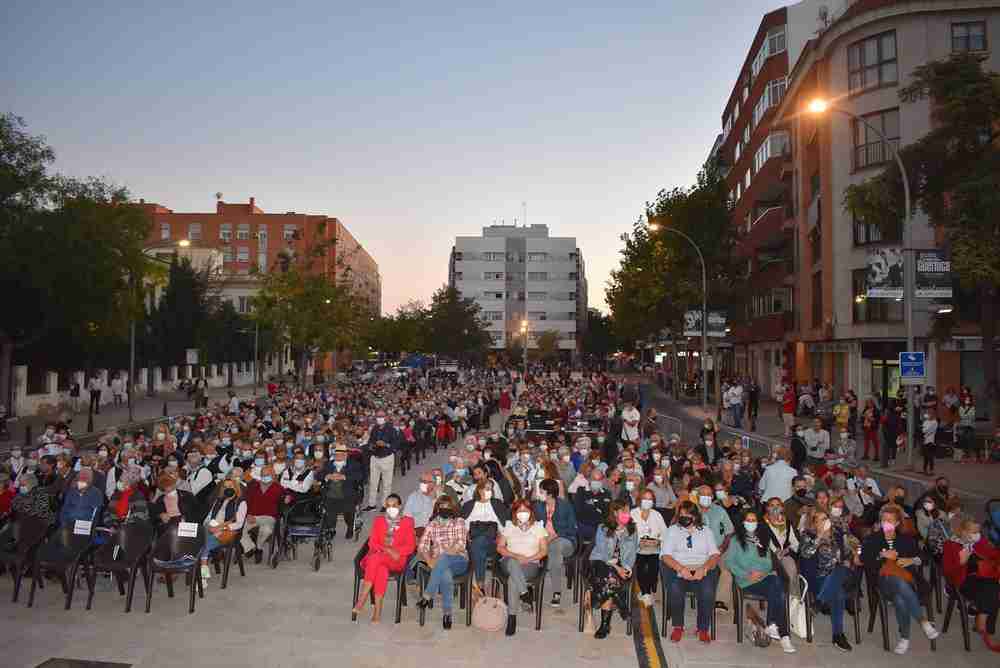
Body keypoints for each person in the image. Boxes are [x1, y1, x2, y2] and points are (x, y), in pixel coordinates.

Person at [861, 505, 939, 654]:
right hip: (882, 583)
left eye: (890, 520)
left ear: (897, 523)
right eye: (883, 520)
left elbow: (924, 557)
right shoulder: (872, 539)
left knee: (900, 598)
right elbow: (865, 560)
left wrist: (911, 560)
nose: (886, 523)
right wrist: (881, 556)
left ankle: (905, 638)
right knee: (894, 579)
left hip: (908, 580)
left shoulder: (907, 540)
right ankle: (923, 622)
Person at [724, 509, 796, 653]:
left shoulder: (763, 539)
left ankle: (776, 628)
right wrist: (747, 574)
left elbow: (769, 562)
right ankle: (782, 634)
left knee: (777, 585)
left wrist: (762, 573)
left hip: (764, 578)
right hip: (746, 581)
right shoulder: (735, 540)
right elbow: (729, 562)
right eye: (748, 520)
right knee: (778, 588)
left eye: (754, 520)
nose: (751, 523)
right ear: (743, 522)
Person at [660, 500, 720, 644]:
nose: (684, 518)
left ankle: (703, 628)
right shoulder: (673, 530)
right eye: (681, 515)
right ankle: (678, 626)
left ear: (695, 516)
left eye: (687, 515)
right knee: (675, 589)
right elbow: (665, 556)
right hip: (679, 569)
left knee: (707, 591)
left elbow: (714, 555)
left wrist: (704, 568)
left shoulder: (706, 531)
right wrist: (680, 568)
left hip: (701, 568)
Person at [354, 494, 416, 623]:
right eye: (388, 506)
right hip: (380, 556)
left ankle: (362, 598)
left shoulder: (408, 521)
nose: (391, 508)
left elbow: (411, 546)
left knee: (375, 560)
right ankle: (377, 612)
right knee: (381, 569)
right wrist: (387, 550)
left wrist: (396, 551)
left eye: (394, 505)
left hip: (397, 559)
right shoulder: (379, 521)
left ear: (400, 506)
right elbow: (372, 543)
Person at [800, 509, 854, 651]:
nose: (826, 522)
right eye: (821, 519)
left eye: (826, 518)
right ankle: (838, 635)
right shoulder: (808, 536)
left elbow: (848, 552)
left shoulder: (837, 534)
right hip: (819, 578)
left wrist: (849, 559)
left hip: (842, 574)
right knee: (839, 594)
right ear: (814, 523)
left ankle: (818, 603)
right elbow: (805, 554)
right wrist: (819, 537)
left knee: (839, 569)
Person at [943, 517, 1000, 651]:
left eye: (978, 531)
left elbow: (994, 555)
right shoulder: (951, 545)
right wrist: (960, 563)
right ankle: (986, 628)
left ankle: (982, 619)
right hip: (960, 582)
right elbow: (947, 573)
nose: (977, 534)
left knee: (993, 587)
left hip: (980, 577)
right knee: (993, 589)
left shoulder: (978, 542)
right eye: (973, 532)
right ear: (963, 531)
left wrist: (983, 543)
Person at [497, 499, 549, 636]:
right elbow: (500, 547)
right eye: (519, 511)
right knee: (513, 563)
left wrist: (528, 559)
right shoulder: (509, 526)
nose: (523, 513)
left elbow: (544, 551)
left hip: (530, 564)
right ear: (514, 513)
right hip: (508, 561)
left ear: (531, 512)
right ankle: (525, 593)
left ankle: (512, 618)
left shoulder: (538, 527)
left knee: (512, 581)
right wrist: (515, 555)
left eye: (525, 510)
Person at [416, 496, 469, 630]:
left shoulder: (459, 522)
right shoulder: (432, 524)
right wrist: (429, 560)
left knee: (443, 559)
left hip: (459, 560)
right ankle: (447, 613)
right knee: (445, 574)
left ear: (453, 508)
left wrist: (441, 556)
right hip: (438, 565)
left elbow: (461, 545)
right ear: (437, 509)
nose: (444, 510)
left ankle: (427, 595)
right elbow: (422, 546)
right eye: (441, 507)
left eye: (448, 507)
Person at [587, 500, 636, 639]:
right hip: (601, 562)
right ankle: (620, 603)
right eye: (623, 511)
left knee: (609, 582)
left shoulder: (632, 530)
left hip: (621, 565)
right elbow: (602, 553)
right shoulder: (603, 528)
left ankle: (603, 617)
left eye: (628, 511)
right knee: (609, 575)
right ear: (615, 513)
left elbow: (632, 553)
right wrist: (616, 567)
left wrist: (626, 568)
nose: (626, 514)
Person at [533, 478, 577, 607]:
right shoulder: (538, 506)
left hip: (565, 540)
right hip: (543, 540)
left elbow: (572, 528)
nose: (538, 494)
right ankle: (529, 584)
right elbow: (533, 525)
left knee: (555, 546)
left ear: (550, 493)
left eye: (541, 492)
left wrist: (554, 535)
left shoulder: (565, 505)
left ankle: (556, 590)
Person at [462, 478, 509, 588]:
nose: (490, 491)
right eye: (487, 488)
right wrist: (465, 535)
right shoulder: (469, 505)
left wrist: (501, 536)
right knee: (478, 543)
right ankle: (480, 583)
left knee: (480, 541)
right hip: (472, 541)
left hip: (493, 542)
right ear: (479, 490)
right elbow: (461, 525)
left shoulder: (497, 504)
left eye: (491, 489)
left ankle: (479, 582)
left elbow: (506, 526)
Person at [198, 478, 246, 583]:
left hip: (228, 532)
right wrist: (207, 526)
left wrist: (220, 528)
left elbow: (239, 524)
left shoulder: (240, 502)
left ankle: (203, 578)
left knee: (204, 545)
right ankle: (202, 572)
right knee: (197, 540)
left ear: (236, 488)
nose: (228, 488)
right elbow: (209, 517)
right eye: (225, 486)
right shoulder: (218, 500)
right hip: (212, 528)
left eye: (230, 486)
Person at [632, 488, 667, 607]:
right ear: (639, 500)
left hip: (654, 548)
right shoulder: (632, 513)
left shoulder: (657, 515)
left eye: (650, 499)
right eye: (645, 498)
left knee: (653, 567)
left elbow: (665, 534)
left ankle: (646, 590)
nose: (647, 501)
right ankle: (646, 593)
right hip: (637, 548)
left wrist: (657, 542)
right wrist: (638, 542)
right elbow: (627, 534)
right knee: (641, 565)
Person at [240, 464, 281, 563]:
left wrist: (289, 498)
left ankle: (259, 548)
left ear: (273, 475)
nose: (265, 477)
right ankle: (250, 547)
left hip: (268, 517)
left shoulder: (278, 488)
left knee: (266, 530)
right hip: (252, 516)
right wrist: (248, 514)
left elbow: (288, 496)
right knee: (238, 529)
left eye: (267, 474)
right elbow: (246, 502)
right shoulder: (254, 487)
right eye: (263, 474)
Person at [322, 444, 364, 539]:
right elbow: (320, 475)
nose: (337, 457)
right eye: (336, 455)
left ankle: (350, 527)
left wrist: (344, 477)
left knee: (348, 512)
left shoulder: (354, 464)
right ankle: (331, 529)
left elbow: (360, 477)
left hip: (347, 493)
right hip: (330, 493)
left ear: (345, 455)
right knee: (330, 512)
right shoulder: (328, 464)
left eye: (340, 454)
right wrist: (327, 477)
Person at [364, 409, 400, 511]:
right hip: (375, 458)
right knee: (373, 482)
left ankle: (385, 505)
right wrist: (373, 445)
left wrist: (385, 444)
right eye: (378, 416)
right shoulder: (375, 428)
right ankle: (372, 504)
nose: (380, 418)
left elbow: (396, 444)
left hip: (387, 457)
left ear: (386, 417)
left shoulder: (391, 429)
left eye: (382, 416)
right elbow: (370, 441)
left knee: (386, 483)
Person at [574, 468, 611, 542]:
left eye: (599, 479)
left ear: (602, 480)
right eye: (594, 479)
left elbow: (606, 512)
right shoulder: (581, 491)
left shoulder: (607, 493)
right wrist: (598, 507)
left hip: (600, 526)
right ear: (589, 479)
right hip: (584, 525)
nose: (596, 481)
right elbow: (579, 510)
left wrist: (591, 506)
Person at [920, 408, 939, 476]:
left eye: (929, 413)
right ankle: (924, 469)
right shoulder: (926, 421)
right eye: (927, 413)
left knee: (930, 456)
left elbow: (928, 430)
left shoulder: (935, 422)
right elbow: (922, 430)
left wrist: (924, 430)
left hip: (930, 441)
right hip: (924, 440)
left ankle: (931, 470)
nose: (927, 414)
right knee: (925, 456)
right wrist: (924, 430)